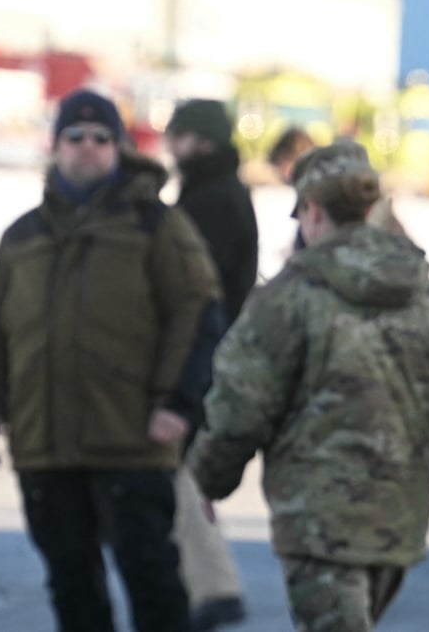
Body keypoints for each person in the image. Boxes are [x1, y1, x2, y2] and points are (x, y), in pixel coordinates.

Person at [187, 142, 429, 631]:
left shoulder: (286, 298)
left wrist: (206, 482)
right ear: (370, 208)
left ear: (313, 211)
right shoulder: (427, 298)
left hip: (314, 528)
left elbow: (240, 407)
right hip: (396, 528)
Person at [0, 88, 223, 632]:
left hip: (131, 440)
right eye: (74, 137)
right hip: (45, 443)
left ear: (119, 147)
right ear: (55, 146)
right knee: (71, 584)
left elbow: (197, 314)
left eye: (101, 138)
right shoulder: (23, 236)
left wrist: (177, 403)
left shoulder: (156, 226)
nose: (87, 148)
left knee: (151, 581)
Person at [164, 98, 258, 629]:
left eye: (178, 135)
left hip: (199, 357)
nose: (171, 145)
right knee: (182, 477)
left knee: (178, 477)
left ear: (201, 141)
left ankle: (212, 588)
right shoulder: (212, 192)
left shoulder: (211, 200)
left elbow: (195, 293)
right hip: (211, 353)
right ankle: (204, 585)